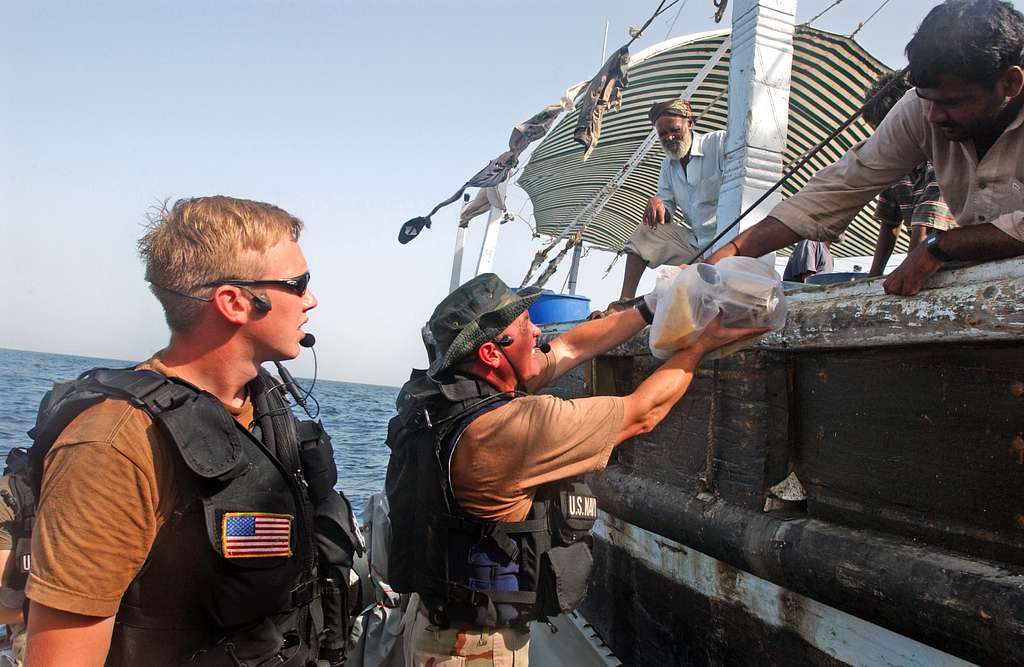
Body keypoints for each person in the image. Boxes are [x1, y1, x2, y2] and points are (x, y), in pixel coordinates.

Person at [23, 196, 358, 666]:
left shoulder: (264, 408)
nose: (311, 299)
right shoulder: (115, 444)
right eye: (298, 284)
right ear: (235, 302)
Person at [386, 273, 766, 666]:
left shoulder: (439, 400)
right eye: (524, 326)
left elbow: (569, 345)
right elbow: (642, 413)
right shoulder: (510, 429)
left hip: (432, 620)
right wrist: (702, 345)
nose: (537, 331)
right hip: (474, 649)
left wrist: (648, 308)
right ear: (490, 354)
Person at [706, 0, 1024, 295]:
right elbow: (843, 185)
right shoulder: (921, 108)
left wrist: (942, 245)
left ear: (1010, 84)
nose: (934, 116)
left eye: (952, 102)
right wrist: (728, 255)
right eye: (928, 100)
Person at [601, 99, 726, 313]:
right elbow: (665, 213)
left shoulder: (718, 143)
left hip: (730, 244)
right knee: (647, 229)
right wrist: (658, 202)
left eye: (675, 130)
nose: (669, 137)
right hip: (697, 246)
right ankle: (624, 302)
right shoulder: (668, 165)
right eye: (663, 133)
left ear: (690, 123)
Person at [863, 71, 955, 277]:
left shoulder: (940, 161)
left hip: (949, 264)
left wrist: (910, 271)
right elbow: (889, 225)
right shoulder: (894, 167)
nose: (885, 138)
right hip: (921, 259)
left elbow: (923, 227)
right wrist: (872, 277)